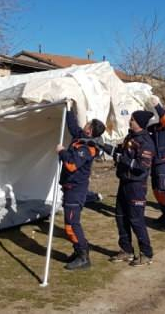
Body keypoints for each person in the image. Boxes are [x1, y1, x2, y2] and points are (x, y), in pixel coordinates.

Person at [56, 101, 106, 270]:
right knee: (71, 223)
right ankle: (78, 252)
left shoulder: (87, 147)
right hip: (70, 188)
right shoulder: (81, 137)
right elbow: (72, 126)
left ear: (90, 130)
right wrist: (69, 108)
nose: (85, 124)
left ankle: (83, 256)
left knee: (71, 225)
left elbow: (71, 165)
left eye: (88, 124)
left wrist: (62, 151)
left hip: (76, 190)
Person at [103, 110, 156, 267]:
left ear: (139, 123)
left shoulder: (146, 141)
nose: (129, 121)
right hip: (124, 183)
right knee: (120, 217)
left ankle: (146, 254)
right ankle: (126, 250)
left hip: (136, 185)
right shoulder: (130, 137)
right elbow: (119, 153)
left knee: (136, 220)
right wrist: (101, 144)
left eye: (132, 120)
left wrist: (122, 159)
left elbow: (141, 166)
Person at [147, 95, 165, 228]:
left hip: (164, 162)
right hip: (154, 162)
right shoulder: (154, 128)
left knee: (162, 189)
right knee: (155, 190)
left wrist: (157, 105)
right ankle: (164, 214)